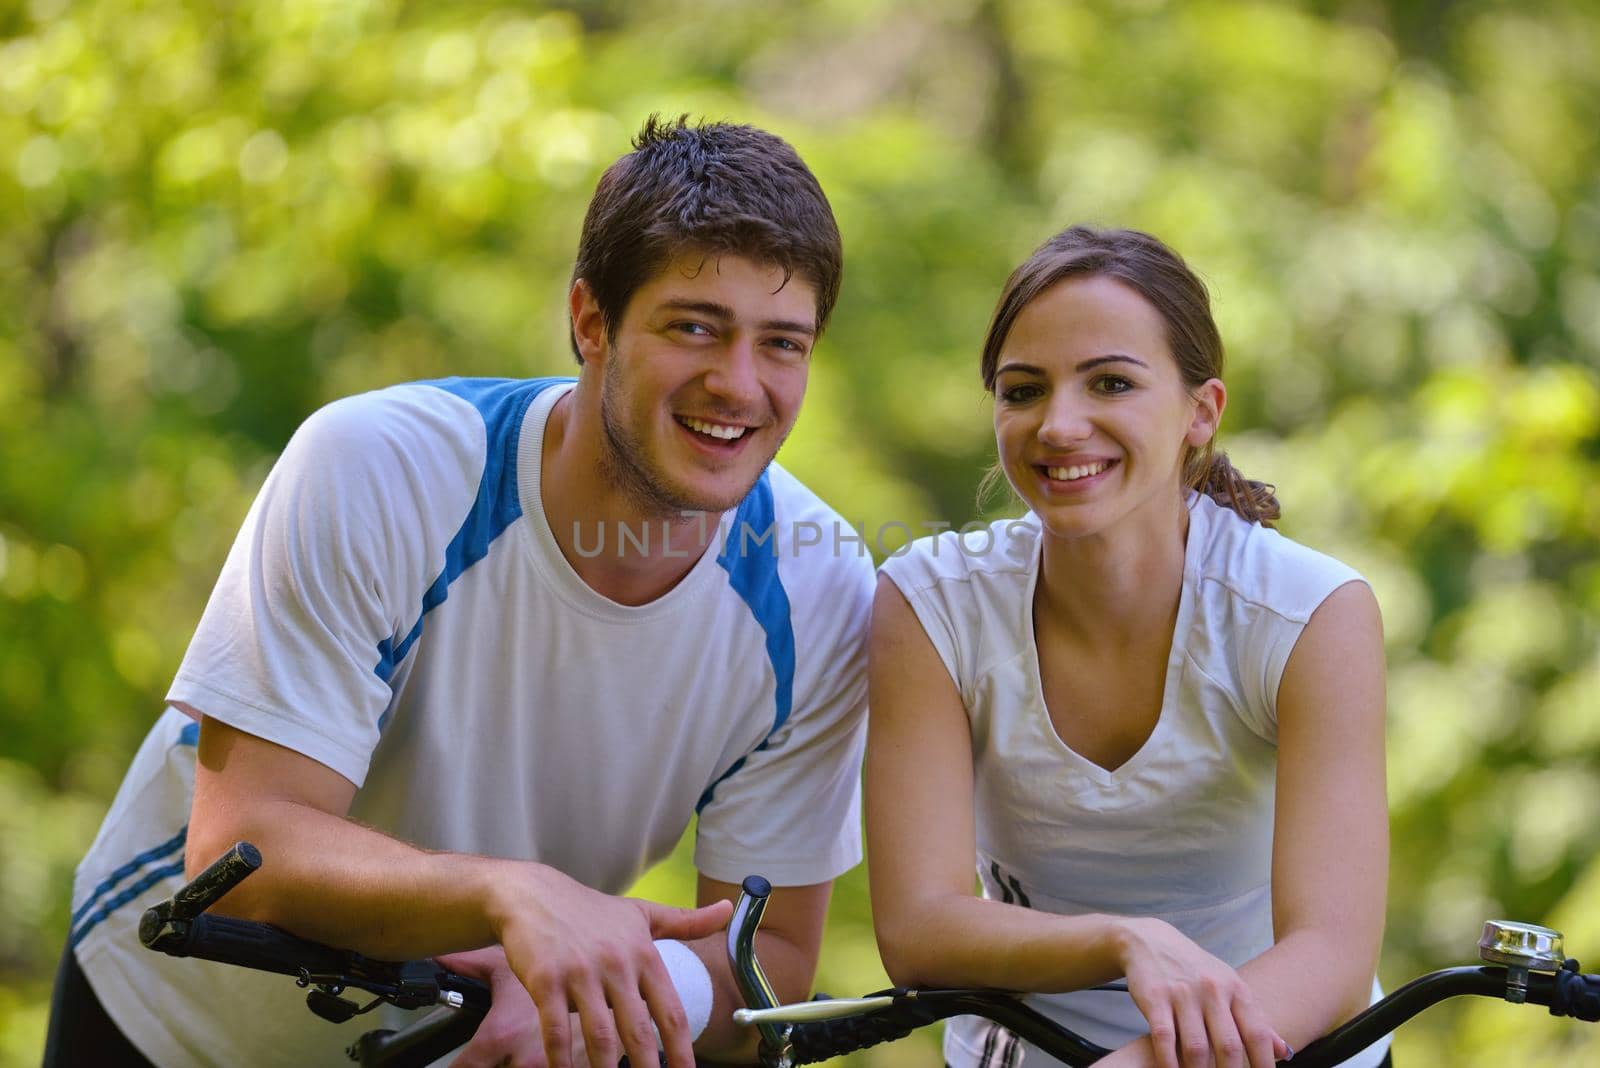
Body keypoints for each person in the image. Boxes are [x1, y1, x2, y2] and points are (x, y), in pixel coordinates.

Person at [48, 116, 875, 1068]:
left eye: (783, 344)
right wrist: (514, 893)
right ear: (590, 321)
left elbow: (766, 959)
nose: (738, 382)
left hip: (458, 1047)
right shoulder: (379, 468)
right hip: (174, 1018)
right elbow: (243, 853)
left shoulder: (820, 588)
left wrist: (599, 1000)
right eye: (695, 326)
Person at [867, 226, 1390, 1068]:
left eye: (1110, 383)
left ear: (1200, 412)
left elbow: (1330, 955)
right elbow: (918, 926)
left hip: (1277, 1047)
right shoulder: (930, 604)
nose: (1060, 425)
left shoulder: (1309, 613)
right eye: (1023, 390)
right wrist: (1124, 940)